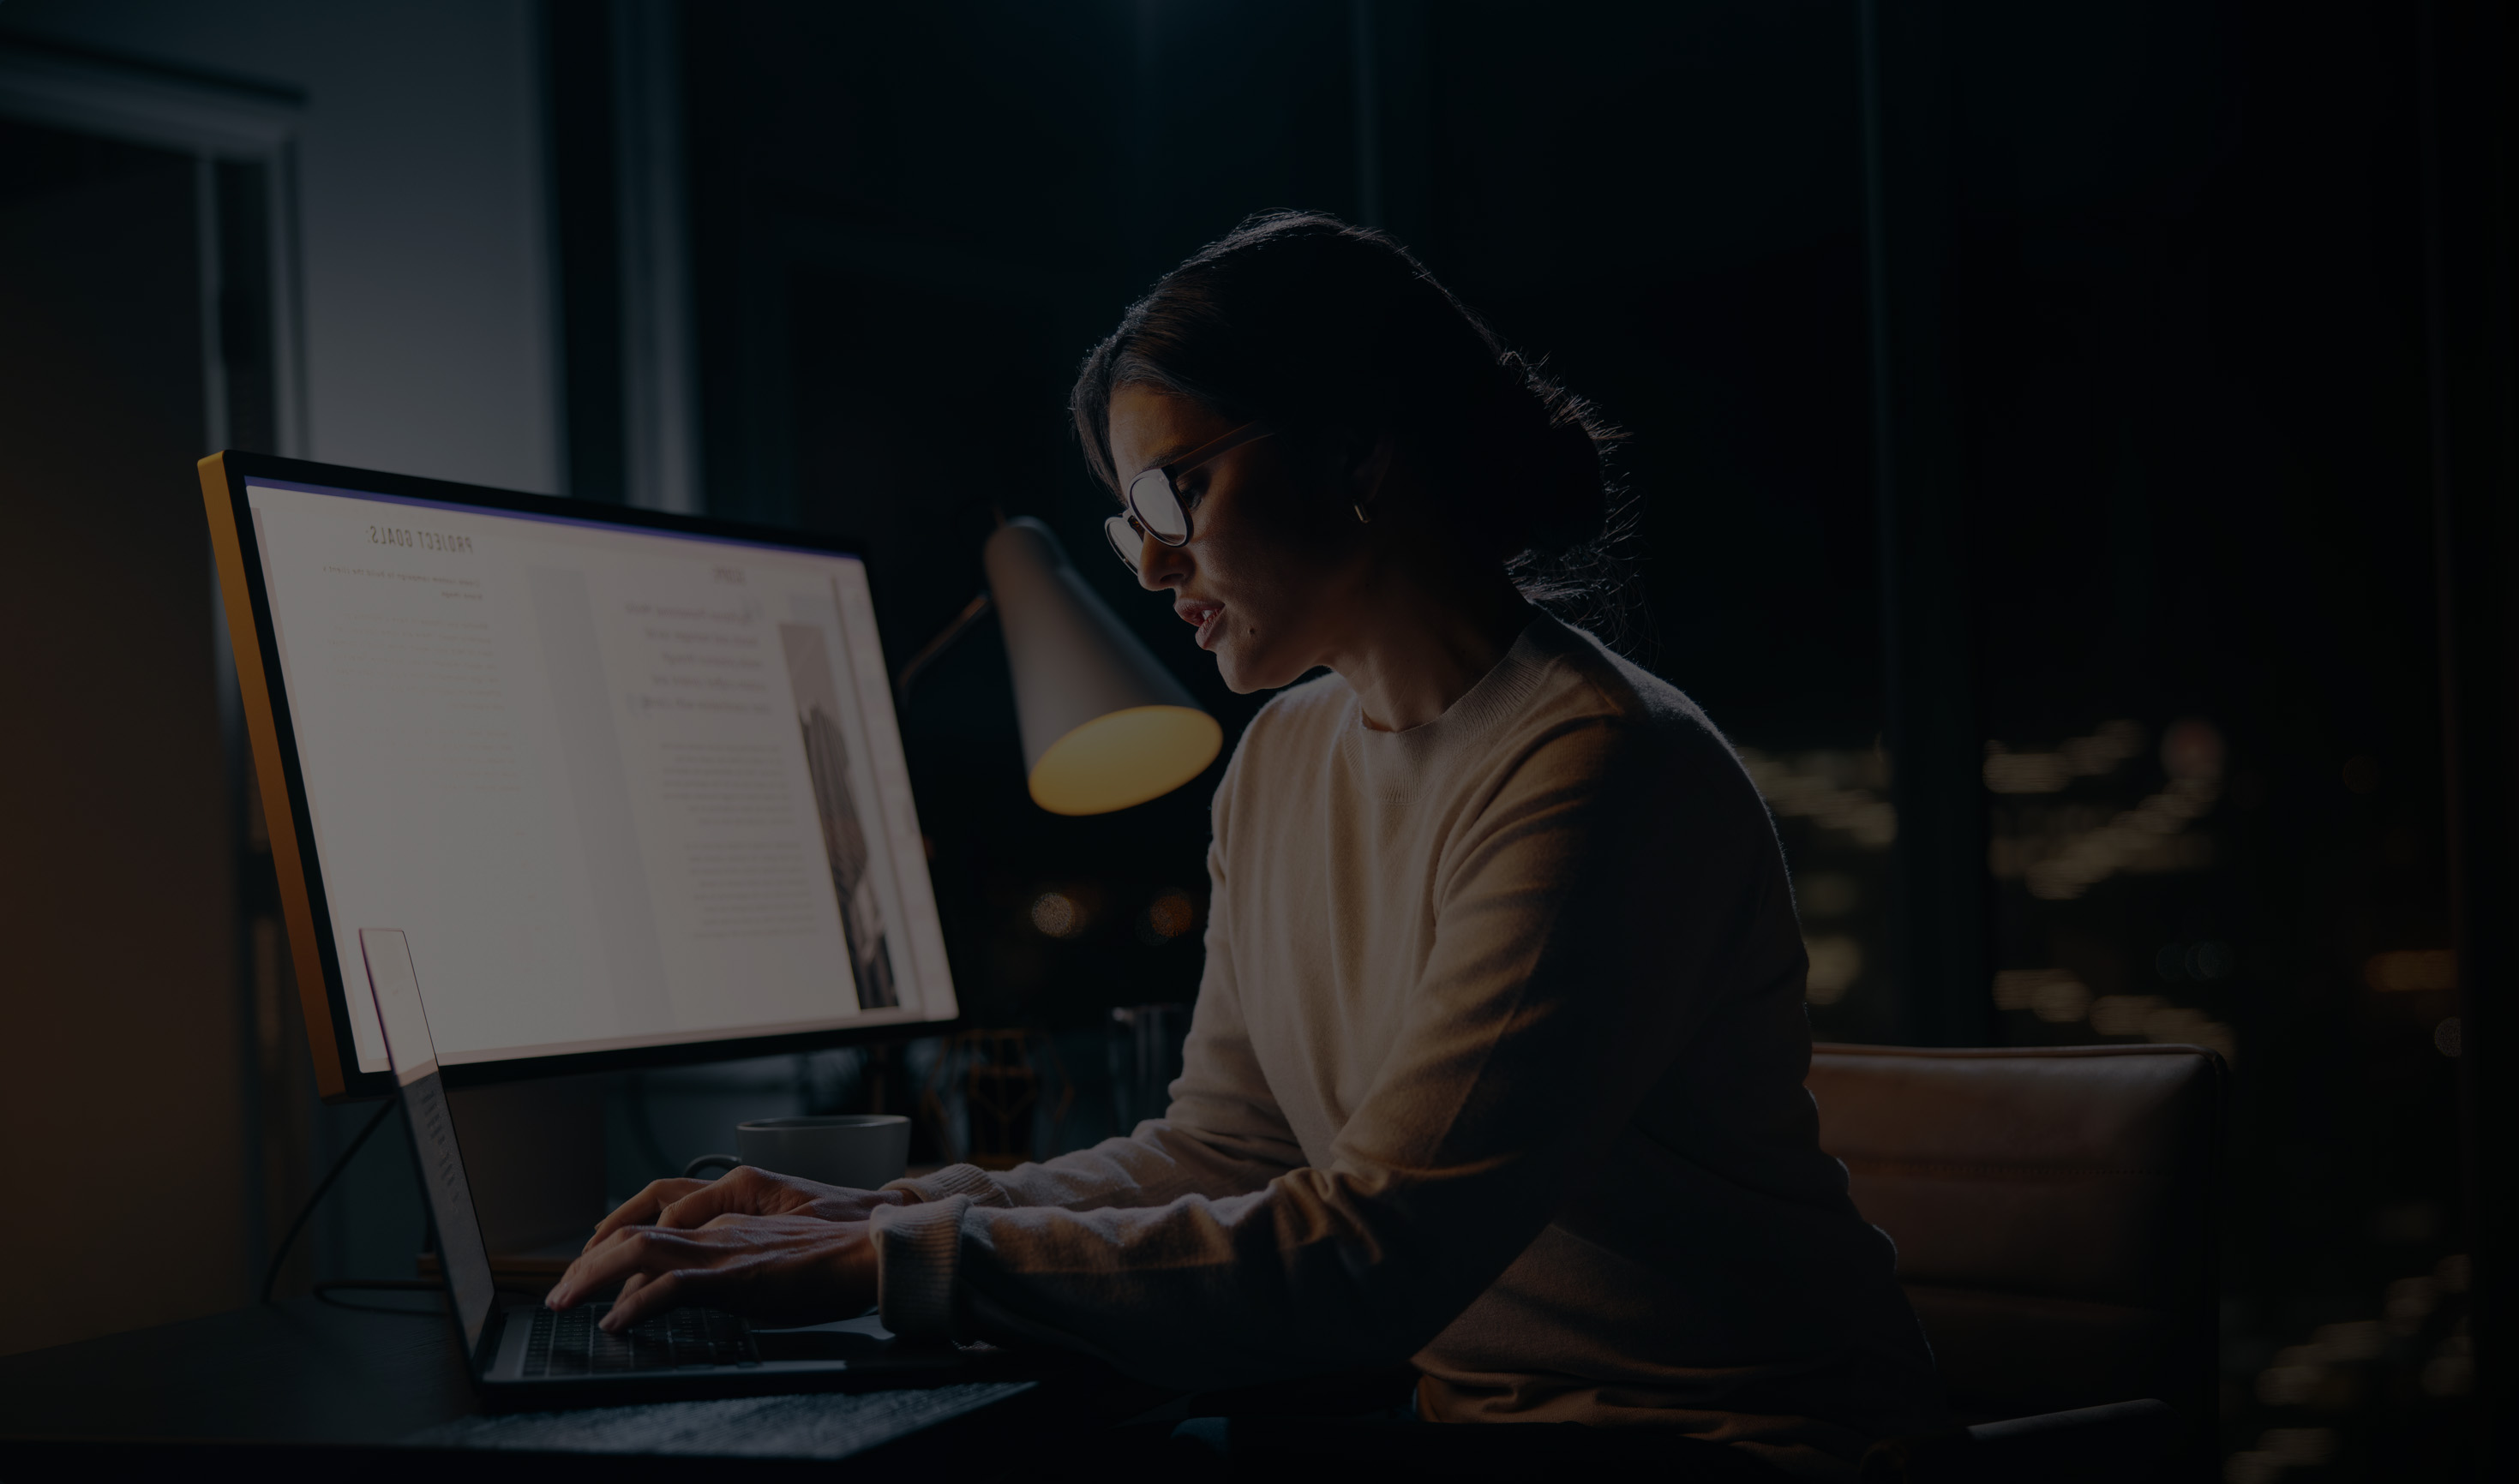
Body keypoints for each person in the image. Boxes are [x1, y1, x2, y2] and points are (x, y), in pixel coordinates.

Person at [547, 212, 1944, 1480]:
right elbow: (1225, 1144)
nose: (1149, 566)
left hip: (1741, 1444)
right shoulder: (1283, 758)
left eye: (1178, 495)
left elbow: (1369, 1257)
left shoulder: (1598, 766)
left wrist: (893, 1254)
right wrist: (884, 1210)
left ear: (1355, 451)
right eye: (1128, 517)